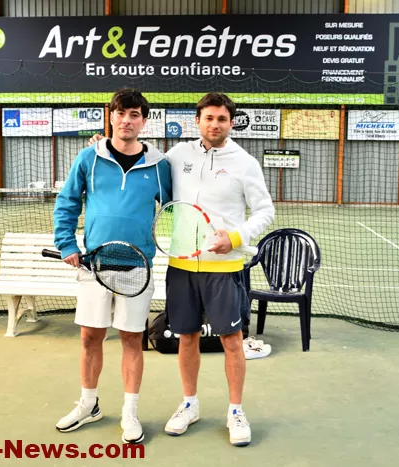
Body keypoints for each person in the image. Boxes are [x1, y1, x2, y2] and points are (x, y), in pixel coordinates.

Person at [89, 92, 274, 446]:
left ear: (231, 123)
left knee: (232, 341)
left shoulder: (245, 162)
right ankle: (190, 404)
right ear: (197, 121)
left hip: (225, 268)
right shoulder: (177, 155)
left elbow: (265, 210)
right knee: (186, 337)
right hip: (182, 265)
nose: (215, 125)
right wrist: (106, 147)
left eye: (222, 119)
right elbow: (137, 156)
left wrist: (236, 237)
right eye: (209, 118)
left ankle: (236, 411)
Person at [53, 88, 172, 445]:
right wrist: (67, 244)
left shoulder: (159, 165)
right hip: (94, 266)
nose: (126, 120)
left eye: (134, 114)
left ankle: (130, 412)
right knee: (90, 337)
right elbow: (67, 203)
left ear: (144, 121)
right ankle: (88, 404)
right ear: (111, 117)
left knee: (132, 339)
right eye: (121, 113)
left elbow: (173, 210)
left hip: (137, 268)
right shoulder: (89, 158)